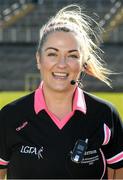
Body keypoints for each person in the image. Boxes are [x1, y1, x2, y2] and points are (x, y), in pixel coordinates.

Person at [0, 4, 123, 179]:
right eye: (52, 54)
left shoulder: (105, 115)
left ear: (83, 63)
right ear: (38, 59)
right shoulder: (10, 116)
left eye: (72, 55)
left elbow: (117, 173)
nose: (62, 64)